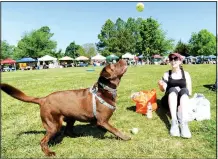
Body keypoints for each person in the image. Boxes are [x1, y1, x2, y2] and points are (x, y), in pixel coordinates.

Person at [158, 53, 192, 138]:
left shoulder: (186, 74)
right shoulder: (167, 74)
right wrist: (161, 85)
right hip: (169, 100)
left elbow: (189, 92)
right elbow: (163, 90)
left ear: (180, 61)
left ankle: (184, 124)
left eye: (175, 59)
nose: (173, 61)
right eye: (171, 59)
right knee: (172, 89)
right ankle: (174, 122)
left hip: (181, 101)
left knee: (184, 90)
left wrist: (182, 103)